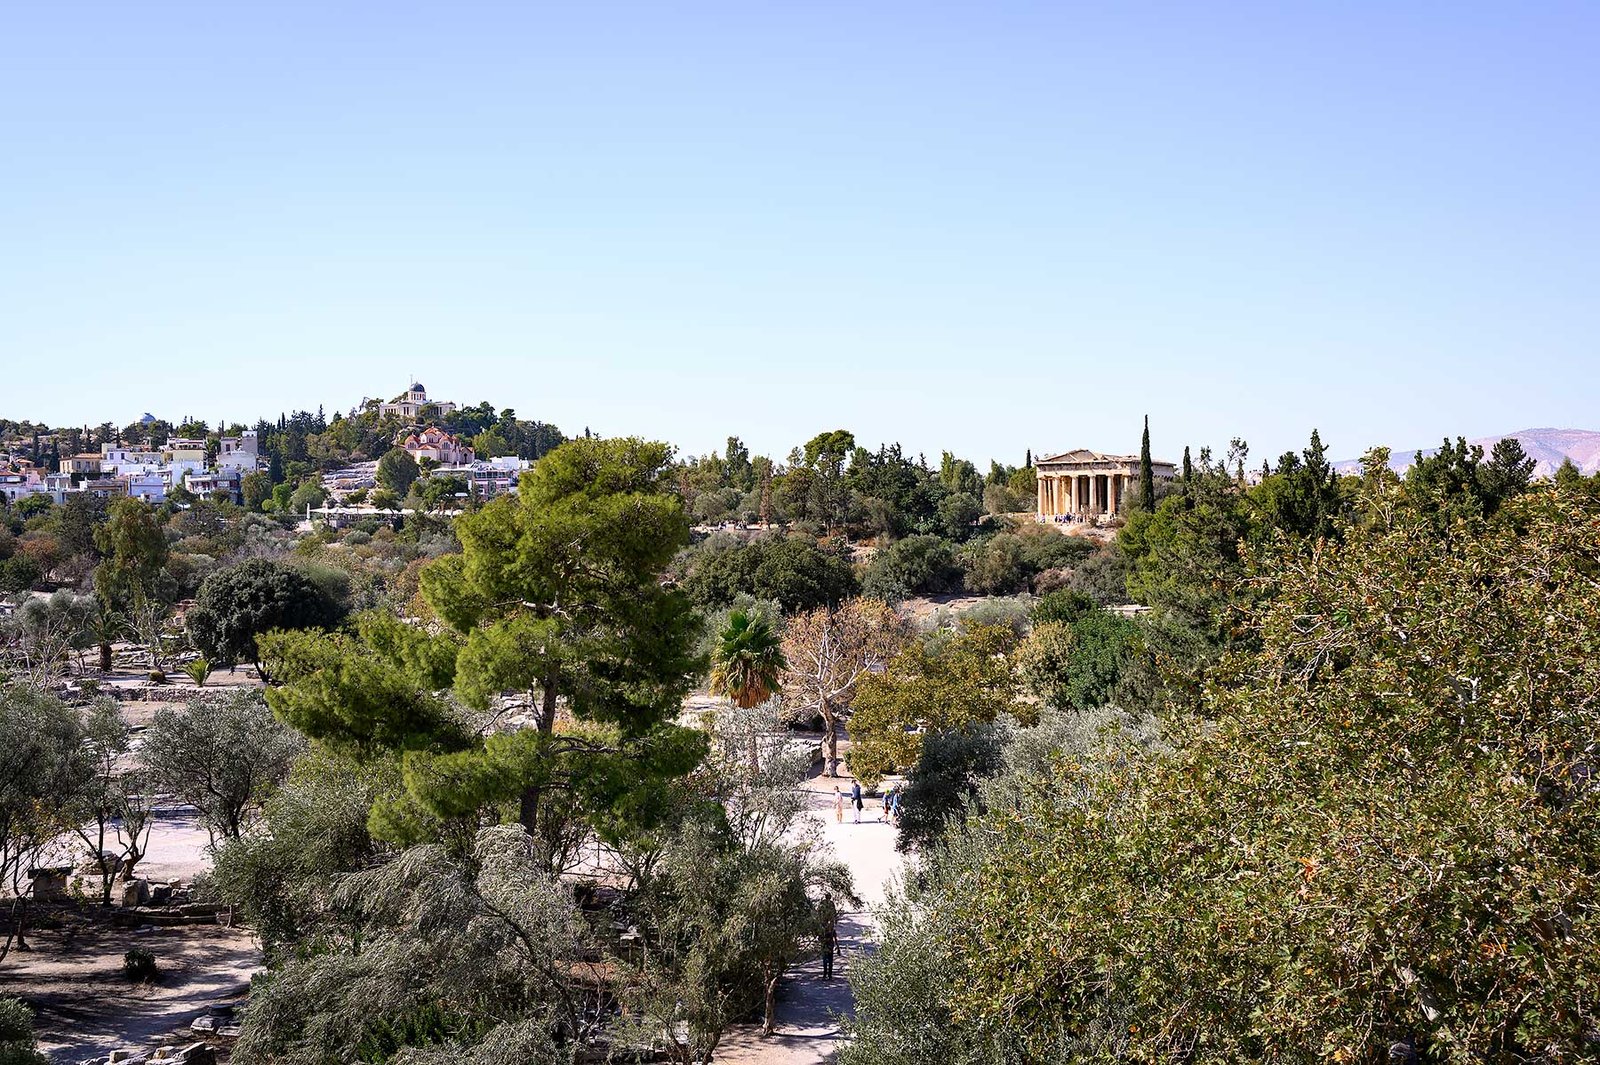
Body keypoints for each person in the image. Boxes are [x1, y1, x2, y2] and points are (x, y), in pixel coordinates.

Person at [818, 895, 839, 980]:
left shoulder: (822, 903)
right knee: (829, 960)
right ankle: (828, 975)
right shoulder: (830, 904)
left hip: (825, 943)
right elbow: (833, 914)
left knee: (825, 960)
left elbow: (819, 912)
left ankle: (825, 975)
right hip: (829, 943)